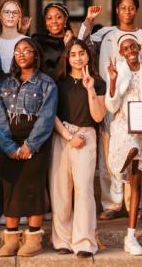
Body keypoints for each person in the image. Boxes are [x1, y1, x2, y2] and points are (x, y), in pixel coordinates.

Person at [78, 0, 142, 221]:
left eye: (131, 8)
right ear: (117, 10)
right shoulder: (106, 33)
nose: (127, 11)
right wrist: (88, 20)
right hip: (110, 98)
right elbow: (81, 43)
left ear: (136, 10)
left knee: (137, 152)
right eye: (123, 7)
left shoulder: (141, 34)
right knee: (109, 154)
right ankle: (112, 203)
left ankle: (135, 203)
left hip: (136, 101)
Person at [0, 38, 58, 257]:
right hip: (10, 141)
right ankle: (11, 237)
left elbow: (47, 117)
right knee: (10, 187)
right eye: (17, 51)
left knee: (33, 187)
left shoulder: (46, 83)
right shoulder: (5, 83)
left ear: (35, 55)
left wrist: (30, 145)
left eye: (27, 51)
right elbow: (0, 115)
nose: (21, 55)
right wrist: (9, 146)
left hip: (35, 141)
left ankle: (33, 238)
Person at [106, 34, 142, 256]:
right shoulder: (118, 70)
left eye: (133, 46)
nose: (130, 50)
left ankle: (130, 235)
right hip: (124, 127)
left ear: (139, 47)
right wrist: (112, 80)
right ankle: (117, 173)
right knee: (132, 148)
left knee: (136, 184)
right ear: (121, 53)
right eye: (125, 48)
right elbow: (111, 106)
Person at [50, 40, 106, 258]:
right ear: (67, 57)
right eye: (73, 54)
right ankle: (63, 239)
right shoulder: (59, 81)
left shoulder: (98, 83)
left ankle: (84, 240)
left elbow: (98, 116)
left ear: (88, 56)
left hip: (86, 135)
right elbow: (51, 114)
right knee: (61, 190)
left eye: (82, 53)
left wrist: (90, 88)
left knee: (83, 190)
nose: (78, 58)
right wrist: (67, 136)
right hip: (63, 134)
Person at [0, 0, 29, 225]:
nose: (11, 16)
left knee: (23, 160)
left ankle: (22, 208)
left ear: (20, 16)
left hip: (24, 105)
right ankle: (2, 209)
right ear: (0, 15)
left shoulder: (26, 41)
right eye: (7, 11)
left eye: (15, 12)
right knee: (1, 160)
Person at [32, 2, 74, 81]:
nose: (54, 21)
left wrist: (68, 45)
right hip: (44, 87)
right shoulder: (37, 41)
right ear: (45, 22)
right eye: (49, 18)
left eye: (58, 17)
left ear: (65, 20)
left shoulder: (74, 42)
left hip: (66, 87)